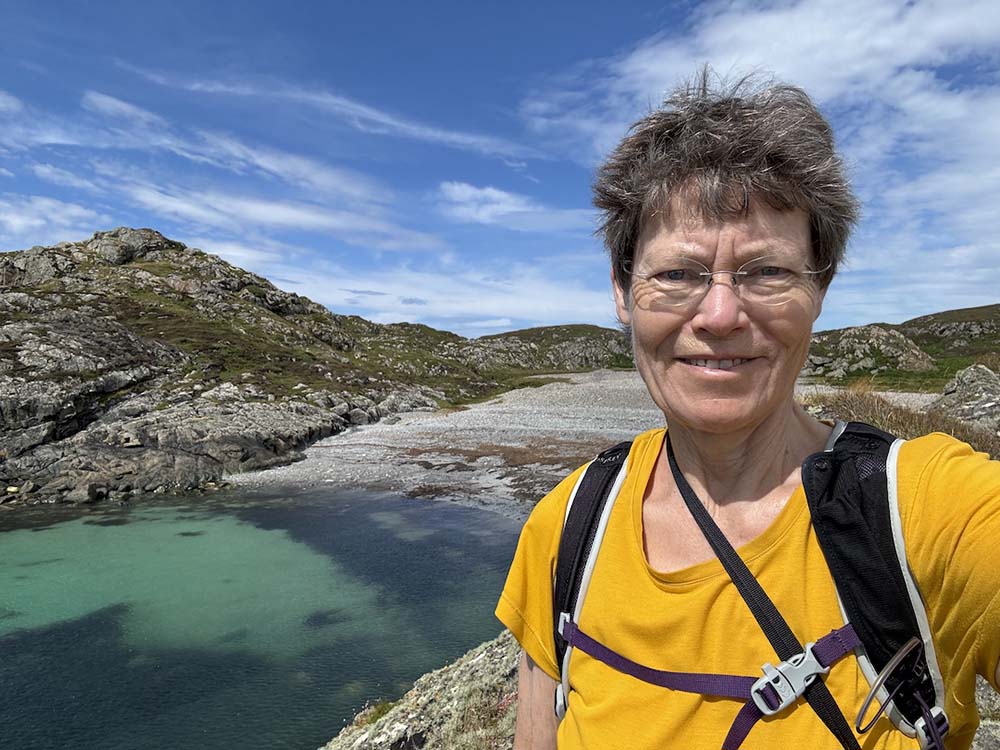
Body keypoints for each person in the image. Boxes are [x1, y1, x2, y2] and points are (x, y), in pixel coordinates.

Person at [495, 70, 1000, 750]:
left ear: (820, 289)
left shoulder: (930, 510)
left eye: (767, 272)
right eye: (677, 274)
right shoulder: (565, 528)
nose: (721, 315)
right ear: (622, 290)